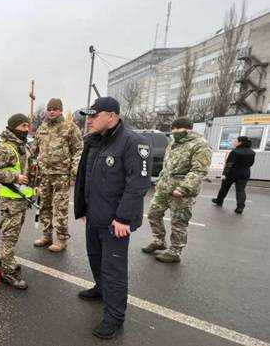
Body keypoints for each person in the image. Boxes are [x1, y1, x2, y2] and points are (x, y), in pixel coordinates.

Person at [73, 97, 151, 339]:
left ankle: (114, 318)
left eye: (94, 116)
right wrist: (82, 208)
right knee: (95, 258)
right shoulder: (94, 142)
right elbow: (84, 177)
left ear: (111, 115)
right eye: (89, 116)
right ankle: (100, 289)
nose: (90, 121)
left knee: (113, 270)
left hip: (116, 222)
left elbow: (138, 184)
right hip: (94, 215)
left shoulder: (133, 142)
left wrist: (124, 219)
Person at [142, 117, 211, 263]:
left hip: (181, 192)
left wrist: (183, 188)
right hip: (164, 188)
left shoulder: (200, 145)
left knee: (178, 222)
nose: (174, 132)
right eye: (173, 129)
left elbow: (199, 170)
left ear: (188, 129)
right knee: (153, 214)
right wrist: (160, 181)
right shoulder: (173, 143)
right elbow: (166, 166)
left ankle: (175, 251)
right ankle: (159, 241)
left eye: (178, 129)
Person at [0, 113, 34, 290]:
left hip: (21, 199)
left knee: (14, 235)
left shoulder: (23, 146)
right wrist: (15, 177)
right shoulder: (4, 148)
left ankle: (7, 261)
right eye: (23, 126)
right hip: (10, 202)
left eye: (28, 126)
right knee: (9, 236)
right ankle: (7, 272)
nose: (26, 129)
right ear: (13, 127)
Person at [31, 98, 83, 252]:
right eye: (49, 109)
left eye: (55, 109)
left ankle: (61, 240)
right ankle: (46, 235)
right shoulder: (42, 127)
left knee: (60, 208)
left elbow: (79, 150)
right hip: (44, 175)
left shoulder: (70, 127)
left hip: (61, 175)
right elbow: (34, 149)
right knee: (44, 206)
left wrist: (74, 173)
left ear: (60, 110)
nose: (51, 111)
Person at [212, 136, 255, 214]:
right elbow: (251, 163)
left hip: (232, 173)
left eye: (236, 141)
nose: (234, 142)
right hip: (245, 172)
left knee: (224, 187)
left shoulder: (235, 151)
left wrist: (224, 174)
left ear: (240, 142)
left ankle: (219, 201)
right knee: (241, 190)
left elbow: (229, 164)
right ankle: (240, 207)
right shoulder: (252, 152)